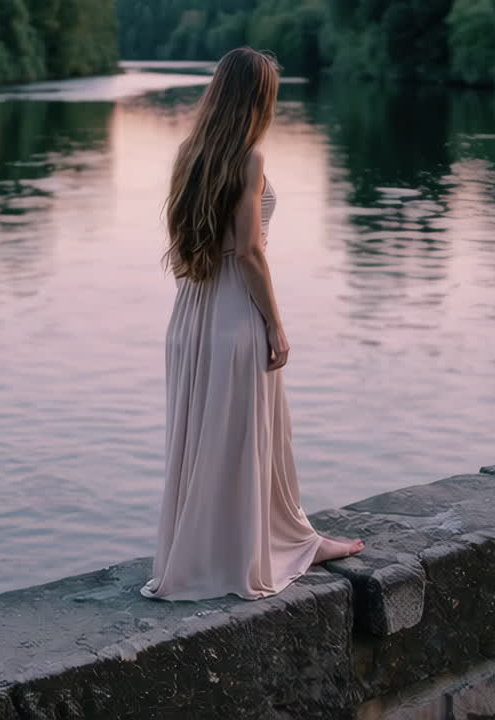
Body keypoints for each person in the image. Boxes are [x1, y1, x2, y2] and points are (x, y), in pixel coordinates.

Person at [140, 48, 365, 602]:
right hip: (234, 311)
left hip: (193, 313)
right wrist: (277, 325)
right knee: (249, 437)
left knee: (212, 438)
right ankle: (261, 551)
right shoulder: (249, 159)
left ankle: (239, 547)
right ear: (258, 98)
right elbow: (249, 251)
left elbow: (195, 244)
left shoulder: (191, 153)